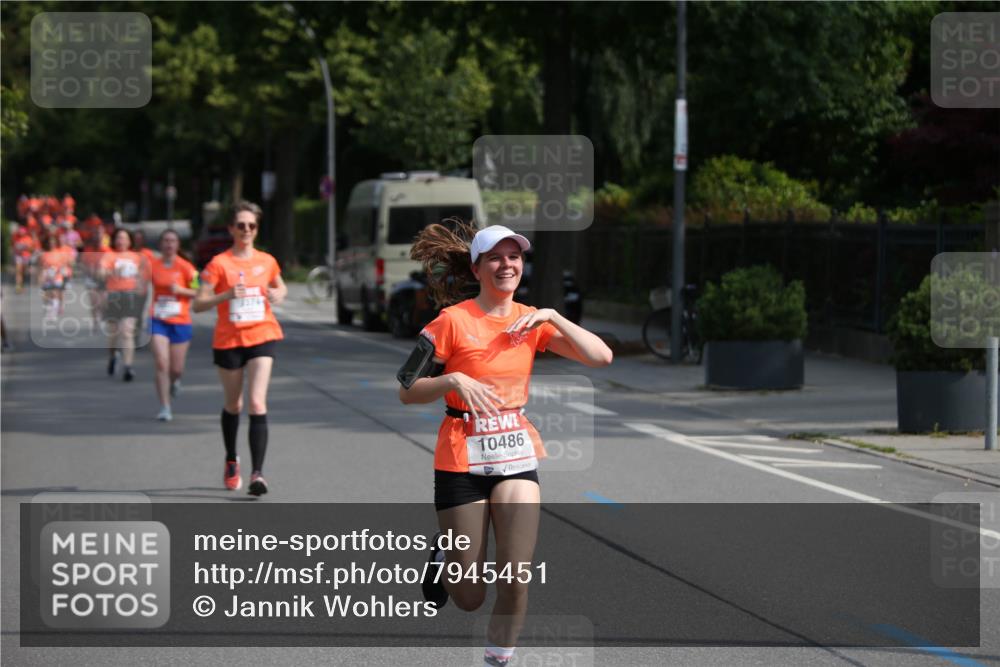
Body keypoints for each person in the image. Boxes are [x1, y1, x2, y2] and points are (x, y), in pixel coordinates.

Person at [398, 222, 612, 667]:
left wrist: (553, 316)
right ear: (477, 268)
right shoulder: (451, 322)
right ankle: (444, 551)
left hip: (515, 454)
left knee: (515, 577)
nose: (506, 264)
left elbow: (601, 357)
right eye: (495, 257)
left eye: (514, 256)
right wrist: (452, 378)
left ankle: (498, 659)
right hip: (460, 458)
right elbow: (407, 388)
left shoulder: (531, 321)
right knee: (470, 597)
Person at [193, 201, 286, 496]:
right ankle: (232, 459)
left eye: (252, 226)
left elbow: (280, 287)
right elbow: (198, 303)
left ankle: (258, 474)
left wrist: (277, 293)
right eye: (241, 225)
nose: (246, 230)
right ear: (232, 228)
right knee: (234, 404)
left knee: (257, 403)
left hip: (262, 334)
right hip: (229, 340)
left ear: (257, 229)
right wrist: (227, 295)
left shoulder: (267, 260)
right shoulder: (219, 264)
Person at [149, 229, 198, 422]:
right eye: (166, 240)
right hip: (158, 320)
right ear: (161, 244)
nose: (169, 244)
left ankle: (175, 381)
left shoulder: (187, 267)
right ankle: (165, 406)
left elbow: (199, 292)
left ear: (178, 245)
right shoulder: (152, 265)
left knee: (176, 369)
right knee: (162, 362)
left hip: (180, 321)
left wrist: (181, 290)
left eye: (173, 241)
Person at [99, 228, 149, 381]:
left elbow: (143, 276)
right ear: (114, 240)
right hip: (114, 296)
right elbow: (100, 273)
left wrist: (141, 286)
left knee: (127, 331)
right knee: (114, 333)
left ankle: (128, 367)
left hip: (131, 295)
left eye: (124, 238)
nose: (121, 241)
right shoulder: (109, 255)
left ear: (130, 241)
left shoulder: (137, 257)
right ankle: (113, 355)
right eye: (119, 238)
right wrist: (113, 272)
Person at [37, 235, 72, 320]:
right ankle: (49, 309)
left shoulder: (60, 253)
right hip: (47, 277)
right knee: (47, 295)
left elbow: (65, 265)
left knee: (55, 293)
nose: (51, 244)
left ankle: (54, 312)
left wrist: (58, 271)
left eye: (53, 242)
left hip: (57, 276)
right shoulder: (44, 254)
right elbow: (41, 266)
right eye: (50, 242)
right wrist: (40, 276)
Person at [12, 224, 36, 293]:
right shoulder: (15, 238)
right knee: (18, 270)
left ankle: (22, 284)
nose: (21, 234)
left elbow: (32, 249)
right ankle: (18, 286)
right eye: (20, 233)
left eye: (22, 233)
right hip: (18, 256)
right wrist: (17, 249)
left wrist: (26, 248)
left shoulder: (28, 239)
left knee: (23, 271)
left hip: (26, 256)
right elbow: (14, 247)